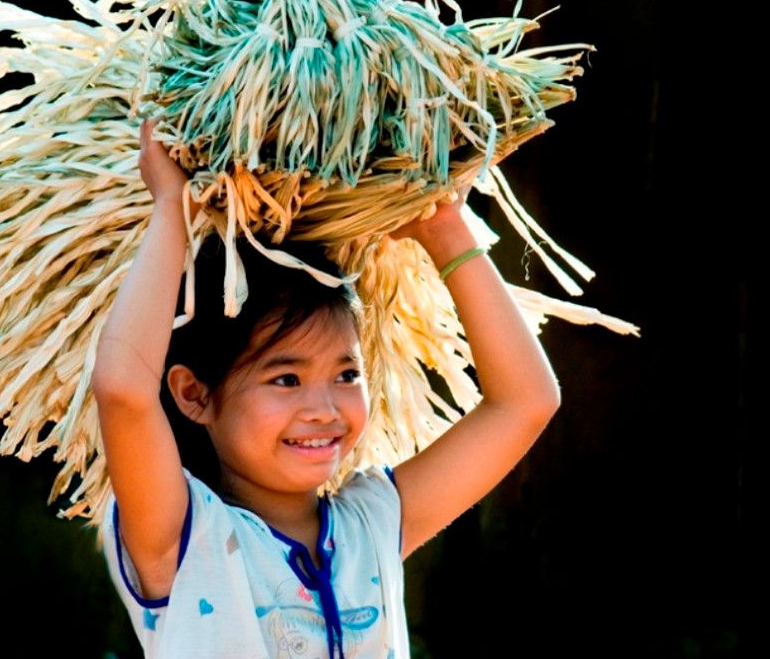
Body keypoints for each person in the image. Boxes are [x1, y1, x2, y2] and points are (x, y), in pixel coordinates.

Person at [92, 119, 561, 658]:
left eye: (346, 375)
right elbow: (123, 392)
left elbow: (526, 402)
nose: (324, 409)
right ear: (194, 395)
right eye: (286, 379)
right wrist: (173, 211)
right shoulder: (184, 538)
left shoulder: (371, 525)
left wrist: (446, 230)